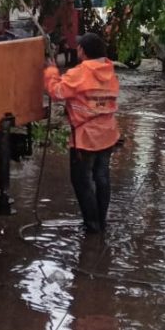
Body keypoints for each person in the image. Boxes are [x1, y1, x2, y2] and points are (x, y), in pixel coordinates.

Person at [44, 32, 120, 233]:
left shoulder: (80, 73)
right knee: (102, 178)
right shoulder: (109, 71)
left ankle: (92, 225)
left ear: (83, 51)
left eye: (78, 47)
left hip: (86, 138)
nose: (76, 49)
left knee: (82, 180)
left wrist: (51, 69)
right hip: (108, 134)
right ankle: (100, 222)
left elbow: (56, 91)